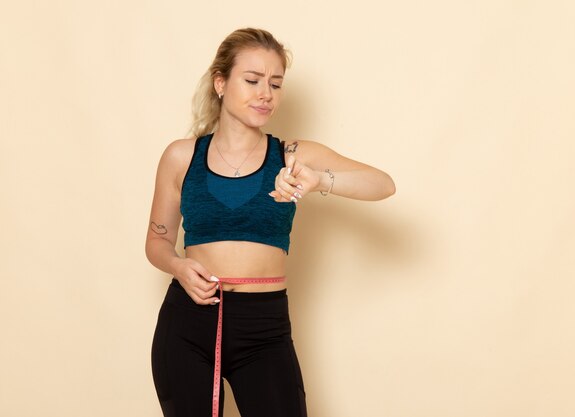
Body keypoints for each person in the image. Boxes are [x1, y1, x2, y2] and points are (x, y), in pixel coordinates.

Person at [146, 28, 395, 417]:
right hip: (188, 323)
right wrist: (178, 266)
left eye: (276, 84)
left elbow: (383, 184)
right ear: (221, 83)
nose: (266, 93)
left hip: (263, 326)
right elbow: (156, 243)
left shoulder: (293, 155)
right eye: (253, 80)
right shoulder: (181, 157)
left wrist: (319, 181)